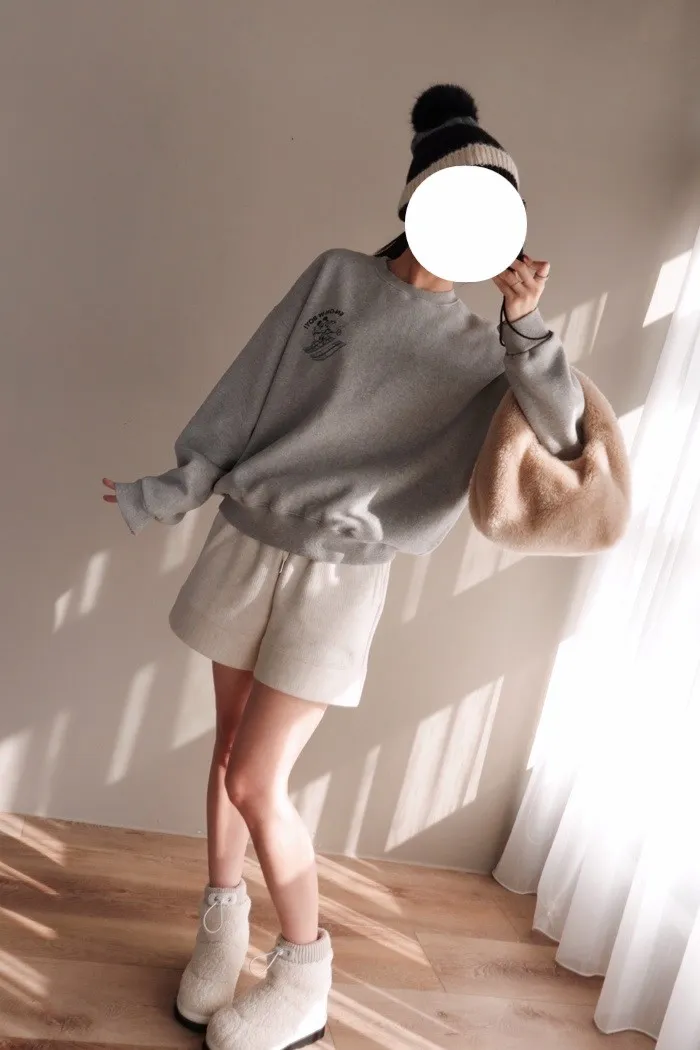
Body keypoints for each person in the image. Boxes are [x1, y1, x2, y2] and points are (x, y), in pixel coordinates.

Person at [102, 83, 585, 1050]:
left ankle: (304, 974)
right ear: (417, 200)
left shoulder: (485, 352)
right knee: (228, 753)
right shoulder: (336, 278)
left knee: (257, 780)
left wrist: (526, 327)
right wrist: (177, 485)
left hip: (341, 579)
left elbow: (565, 434)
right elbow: (250, 389)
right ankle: (221, 930)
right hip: (248, 542)